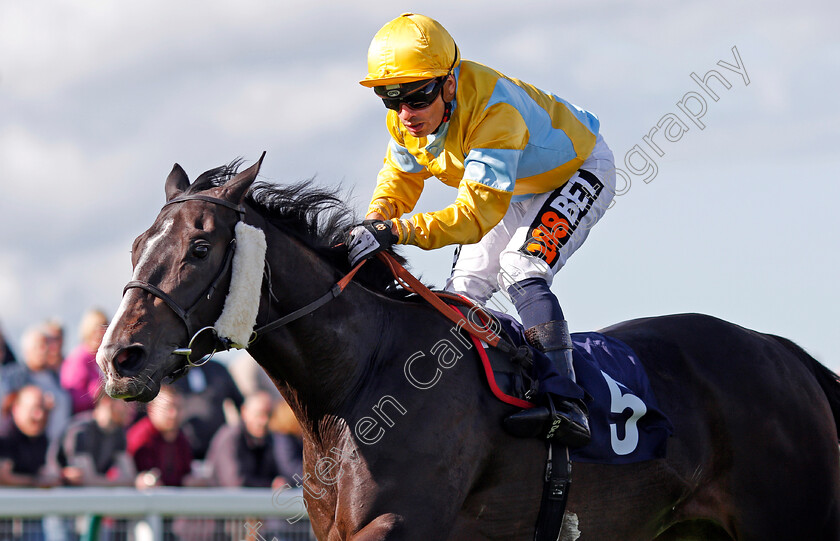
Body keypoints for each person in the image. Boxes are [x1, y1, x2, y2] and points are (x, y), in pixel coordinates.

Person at [348, 13, 617, 447]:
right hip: (515, 184)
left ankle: (566, 405)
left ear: (449, 83)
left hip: (578, 170)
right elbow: (400, 180)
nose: (405, 114)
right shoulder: (405, 117)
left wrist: (397, 231)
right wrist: (377, 219)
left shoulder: (496, 114)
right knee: (463, 290)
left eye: (416, 98)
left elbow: (474, 217)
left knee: (520, 267)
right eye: (389, 98)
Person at [0, 324, 72, 442]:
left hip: (54, 444)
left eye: (46, 345)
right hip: (24, 445)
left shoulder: (56, 375)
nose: (43, 350)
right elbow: (7, 408)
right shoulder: (17, 376)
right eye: (38, 346)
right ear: (27, 350)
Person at [50, 393, 135, 486]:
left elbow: (130, 477)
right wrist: (118, 483)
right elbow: (86, 480)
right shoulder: (80, 431)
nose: (132, 409)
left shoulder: (119, 434)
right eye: (127, 402)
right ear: (106, 401)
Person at [205, 392, 286, 489]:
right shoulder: (230, 438)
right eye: (259, 414)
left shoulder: (270, 439)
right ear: (244, 411)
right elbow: (234, 483)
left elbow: (284, 473)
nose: (264, 421)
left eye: (269, 415)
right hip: (220, 501)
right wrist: (270, 485)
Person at [171, 359, 244, 460]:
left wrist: (240, 437)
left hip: (219, 449)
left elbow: (240, 403)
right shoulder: (172, 373)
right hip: (182, 451)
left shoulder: (218, 370)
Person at [127, 385, 194, 489]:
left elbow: (186, 475)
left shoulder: (182, 439)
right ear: (151, 409)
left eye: (178, 408)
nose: (174, 414)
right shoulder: (141, 438)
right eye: (168, 408)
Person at [60, 308, 108, 414]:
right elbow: (74, 397)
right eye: (96, 329)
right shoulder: (78, 358)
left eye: (104, 328)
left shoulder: (103, 359)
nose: (100, 333)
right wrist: (97, 396)